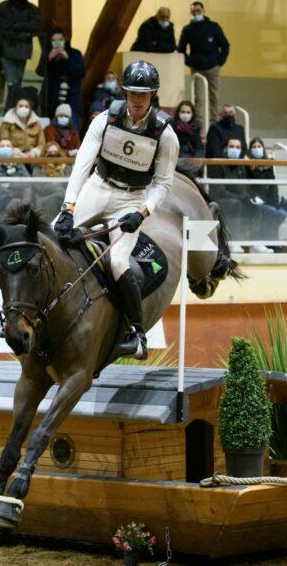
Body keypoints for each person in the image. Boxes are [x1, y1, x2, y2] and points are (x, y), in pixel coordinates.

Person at [53, 60, 179, 360]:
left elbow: (163, 184)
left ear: (153, 95)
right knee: (56, 233)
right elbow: (81, 166)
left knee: (120, 262)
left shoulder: (165, 134)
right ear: (124, 92)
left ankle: (137, 335)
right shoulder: (105, 119)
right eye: (132, 93)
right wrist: (68, 208)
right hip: (98, 188)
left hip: (131, 199)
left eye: (144, 94)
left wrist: (143, 212)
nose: (137, 100)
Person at [178, 1, 229, 121]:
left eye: (198, 11)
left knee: (214, 98)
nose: (196, 13)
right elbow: (181, 49)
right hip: (197, 69)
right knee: (198, 99)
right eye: (193, 12)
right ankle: (199, 128)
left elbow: (225, 45)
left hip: (213, 68)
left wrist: (220, 62)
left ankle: (214, 126)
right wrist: (190, 62)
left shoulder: (213, 26)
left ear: (203, 11)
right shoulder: (187, 29)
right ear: (191, 13)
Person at [0, 0, 40, 110]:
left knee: (17, 83)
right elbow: (5, 26)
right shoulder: (3, 6)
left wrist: (16, 26)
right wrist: (24, 32)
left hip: (23, 52)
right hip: (7, 50)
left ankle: (11, 109)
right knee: (12, 84)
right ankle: (9, 110)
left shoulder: (33, 8)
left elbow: (35, 26)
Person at [246, 137, 287, 249]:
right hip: (255, 201)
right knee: (273, 213)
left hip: (269, 200)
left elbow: (273, 187)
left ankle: (271, 242)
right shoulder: (246, 166)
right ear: (250, 150)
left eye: (259, 147)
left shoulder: (268, 165)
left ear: (263, 149)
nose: (257, 149)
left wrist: (273, 202)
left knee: (281, 213)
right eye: (254, 147)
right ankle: (269, 243)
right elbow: (247, 187)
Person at [36, 28, 85, 118]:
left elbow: (80, 72)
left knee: (71, 126)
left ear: (65, 40)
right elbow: (39, 72)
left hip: (70, 98)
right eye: (54, 40)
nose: (57, 43)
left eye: (60, 40)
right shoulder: (47, 53)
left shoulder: (75, 53)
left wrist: (67, 58)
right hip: (50, 99)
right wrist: (48, 59)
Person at [32, 141, 69, 215]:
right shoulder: (39, 167)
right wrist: (59, 189)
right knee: (56, 198)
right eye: (50, 152)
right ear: (44, 153)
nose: (53, 154)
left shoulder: (66, 167)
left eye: (55, 152)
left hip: (65, 198)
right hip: (45, 198)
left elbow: (71, 183)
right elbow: (41, 187)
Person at [172, 99, 204, 176]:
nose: (185, 115)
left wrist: (196, 161)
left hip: (190, 162)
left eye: (188, 112)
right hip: (174, 161)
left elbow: (198, 148)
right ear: (178, 113)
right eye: (183, 112)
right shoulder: (172, 126)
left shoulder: (195, 127)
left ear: (192, 114)